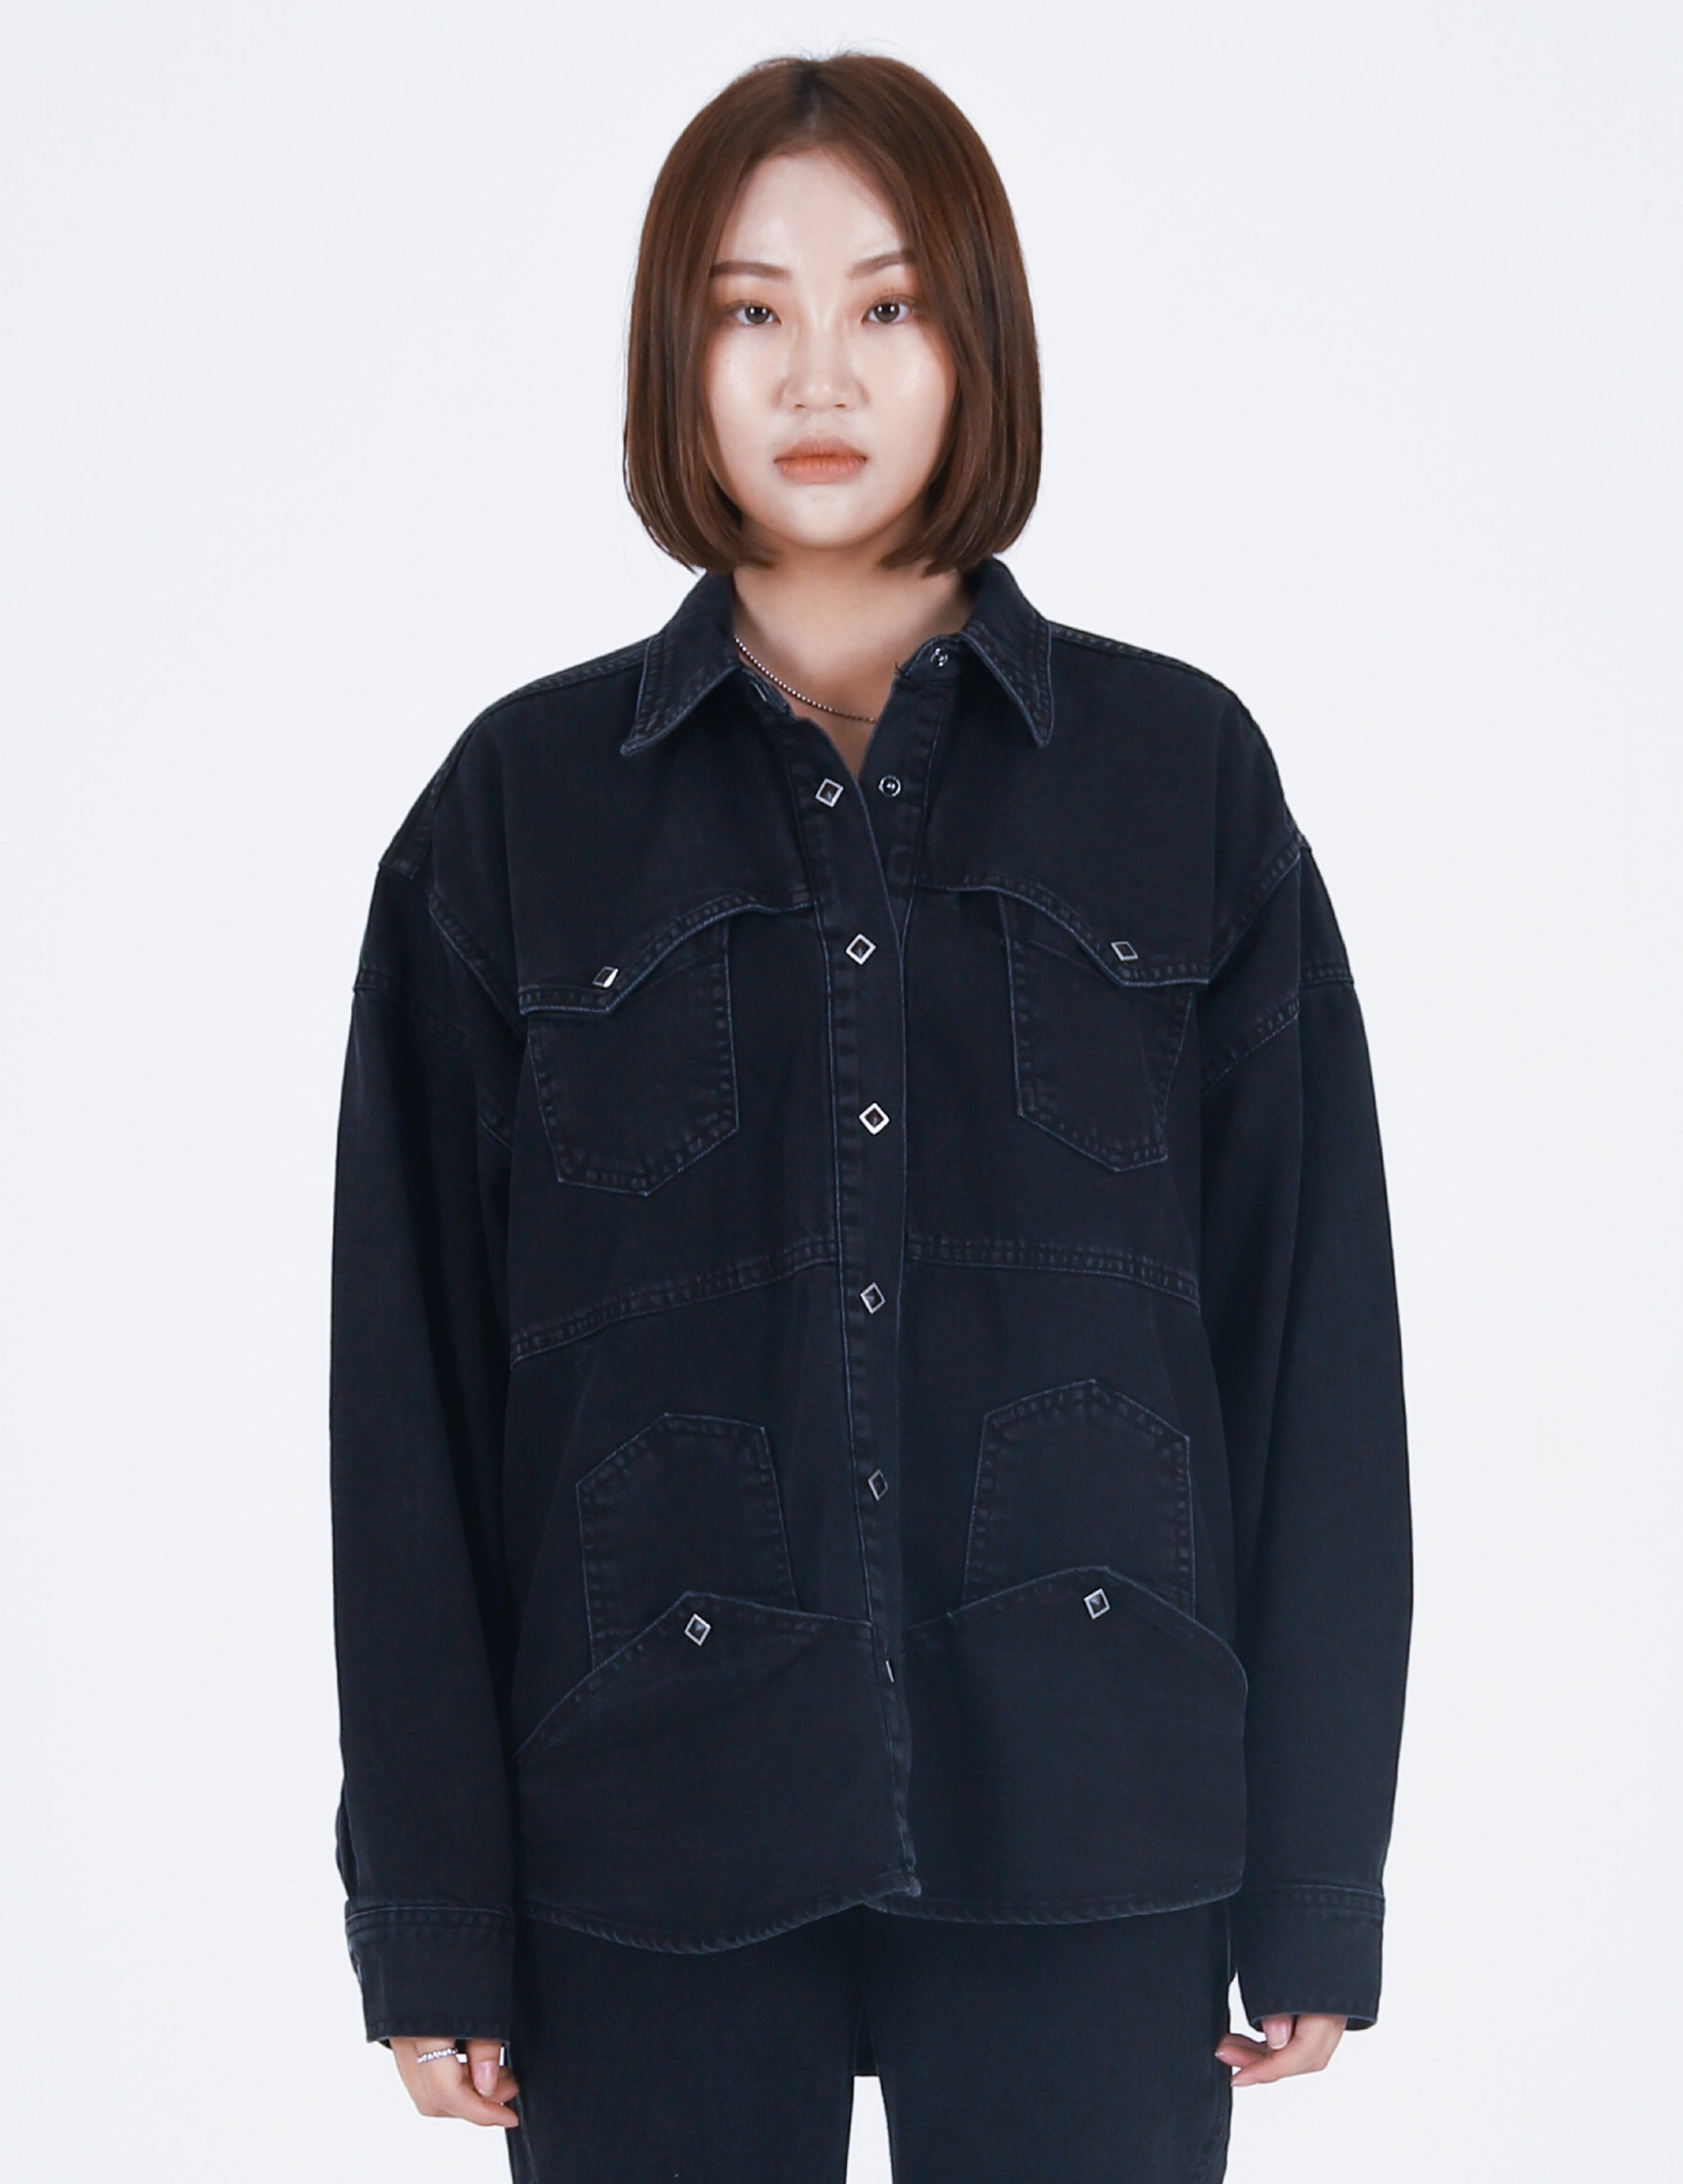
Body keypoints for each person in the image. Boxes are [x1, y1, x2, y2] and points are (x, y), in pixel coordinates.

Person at [329, 51, 1412, 2183]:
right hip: (640, 1823)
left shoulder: (1182, 778)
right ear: (676, 353)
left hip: (1095, 1813)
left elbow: (1311, 1343)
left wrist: (1315, 1872)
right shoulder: (515, 815)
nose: (816, 374)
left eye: (888, 305)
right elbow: (411, 1398)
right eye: (750, 309)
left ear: (977, 337)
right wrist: (431, 1910)